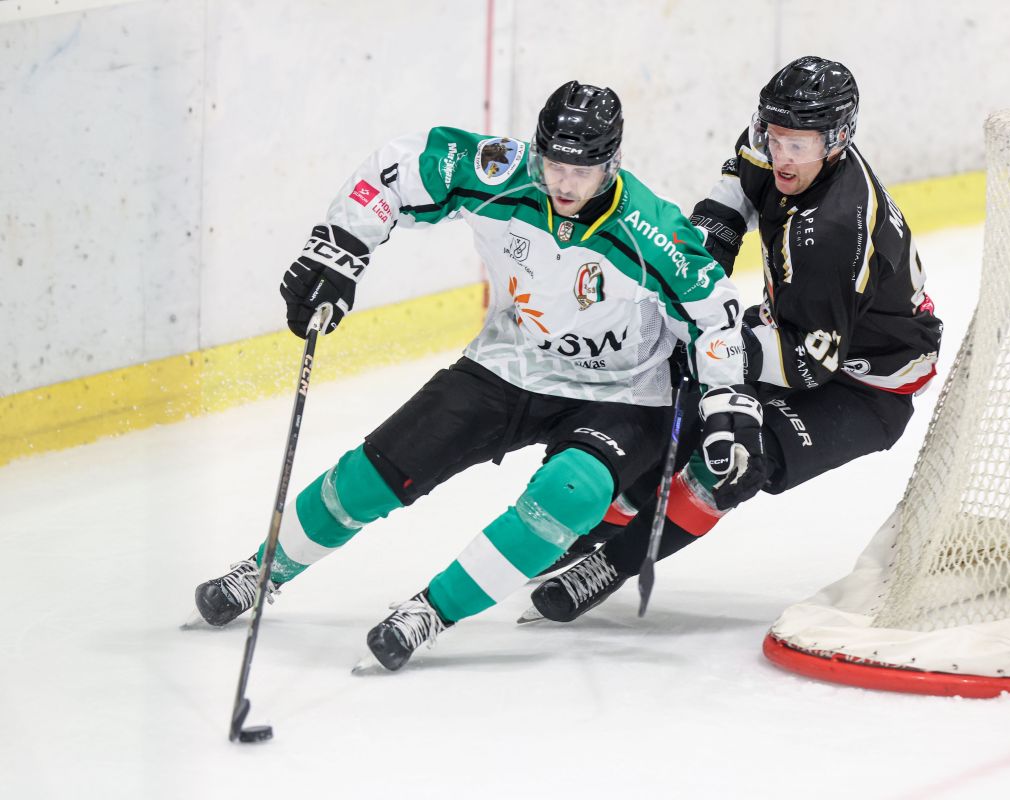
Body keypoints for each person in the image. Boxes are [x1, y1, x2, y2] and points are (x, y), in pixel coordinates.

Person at [191, 81, 762, 672]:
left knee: (572, 493)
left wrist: (726, 399)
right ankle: (262, 570)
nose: (565, 184)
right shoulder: (502, 173)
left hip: (625, 390)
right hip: (511, 359)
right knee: (374, 475)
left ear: (611, 165)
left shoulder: (651, 228)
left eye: (583, 171)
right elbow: (400, 166)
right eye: (555, 165)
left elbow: (714, 312)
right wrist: (338, 247)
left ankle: (431, 612)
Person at [527, 57, 943, 622]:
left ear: (837, 141)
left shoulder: (833, 231)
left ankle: (611, 564)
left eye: (798, 145)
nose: (781, 156)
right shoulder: (770, 144)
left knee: (736, 458)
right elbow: (728, 208)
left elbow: (807, 364)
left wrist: (711, 345)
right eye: (775, 136)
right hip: (796, 328)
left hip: (866, 386)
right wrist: (689, 288)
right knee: (672, 404)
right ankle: (590, 527)